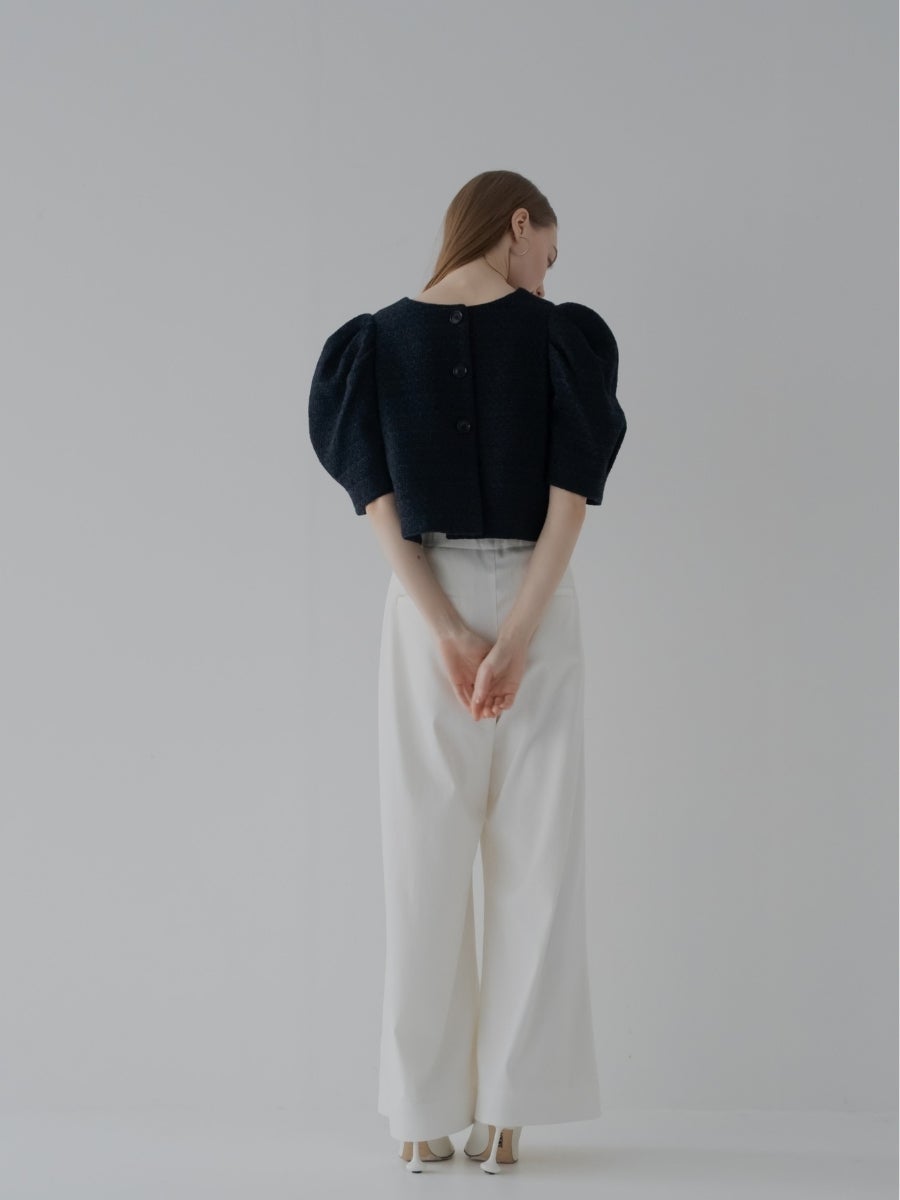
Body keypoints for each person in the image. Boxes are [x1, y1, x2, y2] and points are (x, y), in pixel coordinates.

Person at [308, 170, 627, 1173]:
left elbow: (381, 508)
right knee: (538, 854)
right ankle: (508, 1114)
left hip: (425, 602)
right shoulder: (562, 337)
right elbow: (570, 498)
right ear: (517, 223)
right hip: (539, 596)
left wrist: (446, 627)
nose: (546, 278)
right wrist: (518, 632)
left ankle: (420, 1113)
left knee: (423, 852)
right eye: (547, 254)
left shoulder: (374, 341)